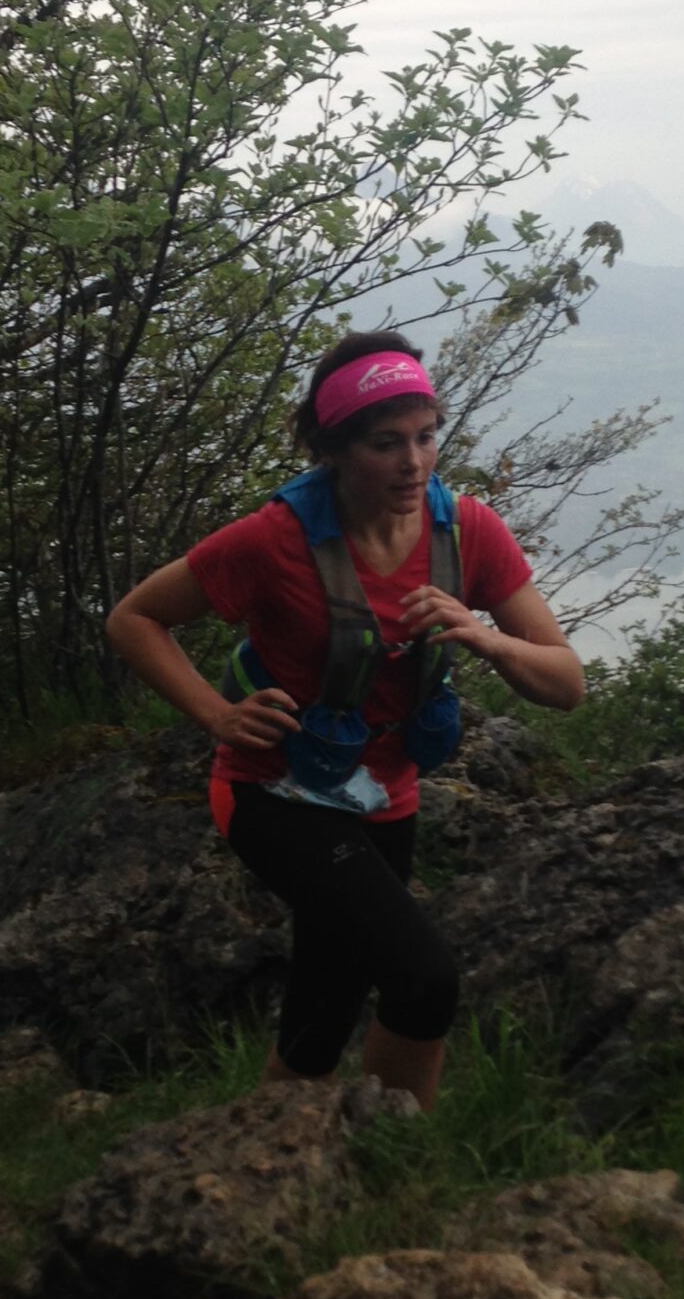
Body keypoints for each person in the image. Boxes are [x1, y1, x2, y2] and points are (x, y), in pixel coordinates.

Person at [104, 331, 584, 1110]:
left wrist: (484, 636)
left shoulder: (468, 533)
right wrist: (217, 714)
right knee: (423, 979)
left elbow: (566, 684)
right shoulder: (275, 539)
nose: (413, 463)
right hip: (274, 790)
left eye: (426, 436)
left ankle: (278, 1146)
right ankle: (399, 1153)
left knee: (324, 1011)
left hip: (386, 795)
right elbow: (135, 618)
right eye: (385, 443)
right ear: (332, 448)